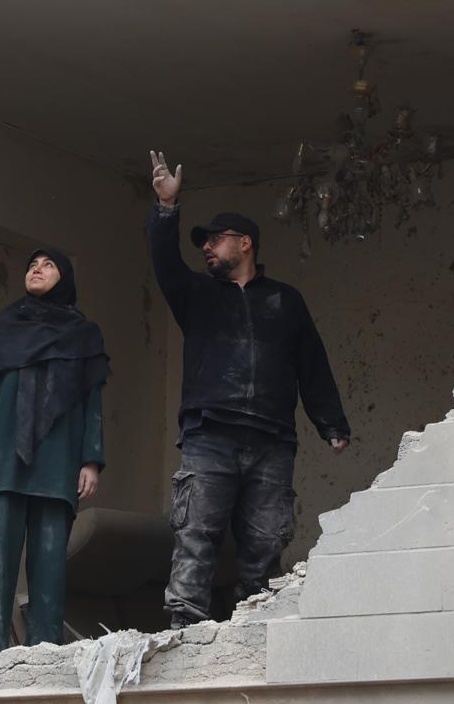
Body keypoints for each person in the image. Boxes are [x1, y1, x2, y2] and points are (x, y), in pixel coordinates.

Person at [146, 150, 351, 628]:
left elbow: (311, 363)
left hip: (271, 439)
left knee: (265, 544)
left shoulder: (285, 300)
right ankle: (184, 632)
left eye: (215, 239)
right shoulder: (197, 294)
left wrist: (331, 422)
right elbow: (165, 261)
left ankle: (255, 636)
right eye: (204, 242)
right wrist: (166, 208)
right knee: (196, 534)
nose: (206, 248)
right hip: (210, 433)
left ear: (245, 243)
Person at [0, 247, 108, 652]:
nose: (37, 270)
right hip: (2, 457)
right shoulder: (7, 325)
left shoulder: (84, 335)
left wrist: (91, 459)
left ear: (65, 277)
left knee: (50, 565)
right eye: (32, 266)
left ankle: (45, 653)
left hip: (58, 462)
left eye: (48, 265)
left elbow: (91, 401)